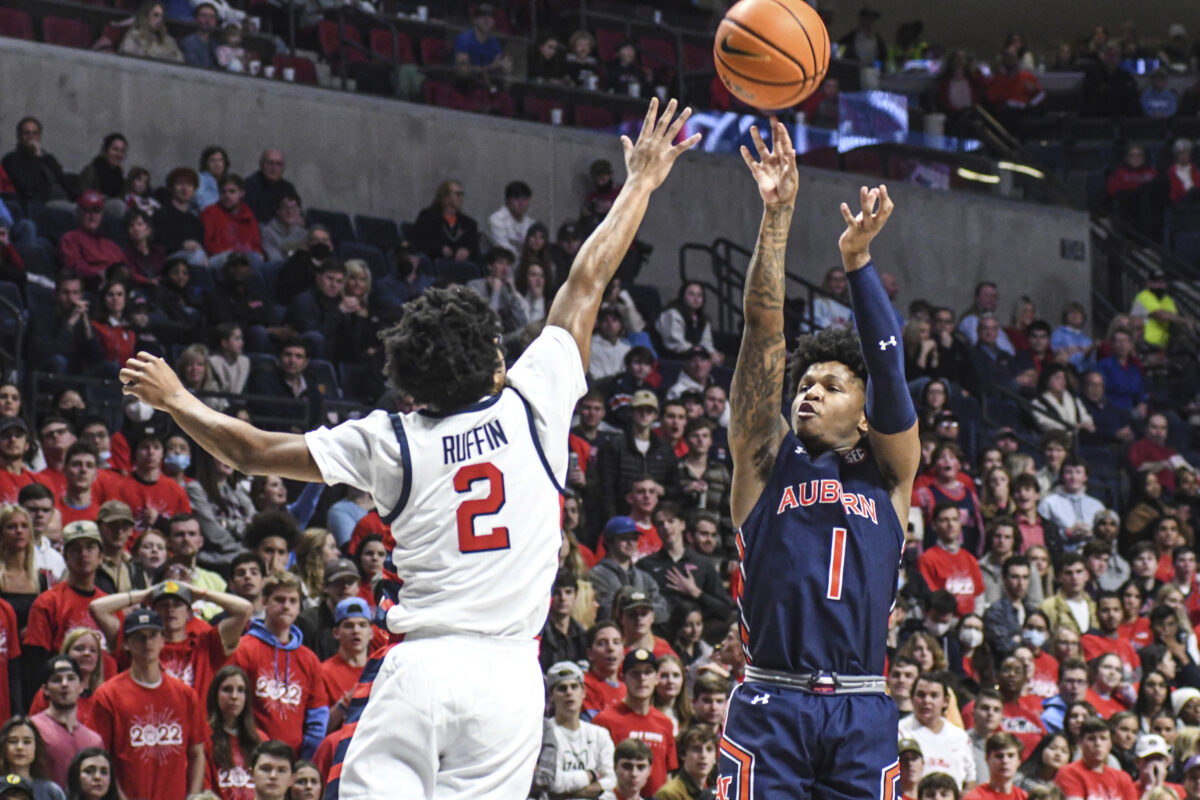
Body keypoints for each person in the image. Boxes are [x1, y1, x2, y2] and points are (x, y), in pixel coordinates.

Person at [119, 98, 699, 798]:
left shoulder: (391, 439)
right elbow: (585, 281)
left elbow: (250, 450)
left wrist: (177, 398)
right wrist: (640, 182)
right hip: (511, 681)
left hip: (422, 667)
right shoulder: (531, 400)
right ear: (490, 363)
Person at [716, 118, 919, 798]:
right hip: (772, 701)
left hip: (862, 704)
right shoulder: (766, 463)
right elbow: (763, 328)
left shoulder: (890, 475)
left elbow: (890, 374)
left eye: (831, 386)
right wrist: (776, 216)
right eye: (804, 384)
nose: (809, 393)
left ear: (862, 413)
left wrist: (857, 263)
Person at [90, 608, 208, 800]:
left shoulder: (185, 694)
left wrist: (193, 796)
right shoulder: (108, 695)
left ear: (163, 640)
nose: (147, 642)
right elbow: (101, 757)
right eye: (139, 637)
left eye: (153, 635)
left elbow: (197, 752)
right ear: (126, 644)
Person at [227, 571, 328, 760]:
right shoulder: (244, 649)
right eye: (280, 599)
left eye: (292, 601)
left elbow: (317, 718)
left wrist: (304, 762)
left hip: (293, 761)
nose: (286, 606)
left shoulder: (309, 659)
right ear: (264, 601)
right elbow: (231, 709)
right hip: (248, 757)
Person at [593, 648, 677, 797]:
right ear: (623, 678)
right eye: (635, 673)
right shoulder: (604, 720)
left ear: (657, 678)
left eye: (648, 672)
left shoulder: (665, 723)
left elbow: (669, 774)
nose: (642, 678)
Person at [537, 661, 616, 800]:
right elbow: (552, 783)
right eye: (562, 688)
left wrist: (569, 793)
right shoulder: (544, 735)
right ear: (551, 696)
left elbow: (612, 781)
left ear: (583, 692)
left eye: (574, 687)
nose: (569, 692)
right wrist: (592, 775)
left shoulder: (600, 735)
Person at [30, 655, 102, 790]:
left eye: (71, 678)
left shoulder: (94, 741)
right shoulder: (32, 729)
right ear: (45, 689)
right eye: (57, 680)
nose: (64, 684)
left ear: (81, 686)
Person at [900, 674, 977, 789]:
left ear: (946, 701)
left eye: (934, 695)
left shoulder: (960, 736)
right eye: (921, 695)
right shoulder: (899, 731)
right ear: (912, 698)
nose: (926, 701)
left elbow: (970, 781)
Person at [1053, 717, 1137, 800]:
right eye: (1091, 739)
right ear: (1081, 743)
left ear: (1110, 743)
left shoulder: (1123, 778)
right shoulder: (1069, 773)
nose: (1098, 744)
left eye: (1103, 738)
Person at [655, 724, 718, 800]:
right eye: (696, 749)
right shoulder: (669, 794)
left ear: (715, 757)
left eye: (709, 749)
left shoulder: (719, 789)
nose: (703, 755)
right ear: (683, 754)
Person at [964, 733, 1027, 800]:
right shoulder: (974, 797)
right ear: (987, 759)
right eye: (999, 756)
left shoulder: (1023, 797)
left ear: (1019, 760)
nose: (1005, 761)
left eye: (1010, 756)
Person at [243, 150, 298, 224]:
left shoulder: (288, 188)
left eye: (278, 164)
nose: (274, 168)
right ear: (261, 165)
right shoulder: (248, 186)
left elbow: (297, 213)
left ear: (283, 168)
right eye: (270, 163)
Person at [487, 180, 536, 255]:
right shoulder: (496, 219)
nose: (521, 203)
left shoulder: (531, 224)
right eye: (516, 198)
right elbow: (503, 248)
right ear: (507, 200)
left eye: (524, 199)